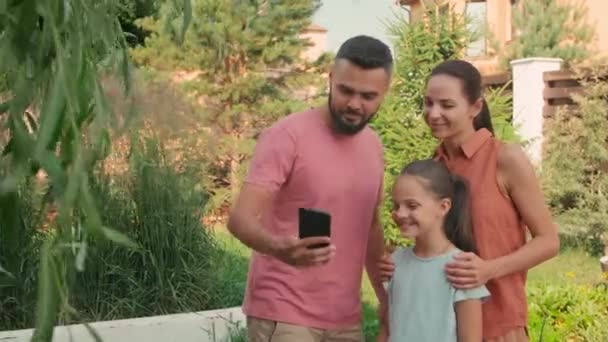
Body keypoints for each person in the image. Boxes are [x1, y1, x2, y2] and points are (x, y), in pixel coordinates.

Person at [378, 60, 560, 341]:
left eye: (447, 105)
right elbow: (435, 244)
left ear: (475, 108)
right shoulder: (432, 169)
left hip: (500, 326)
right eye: (428, 103)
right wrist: (400, 263)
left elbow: (548, 241)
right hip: (442, 329)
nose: (434, 113)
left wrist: (489, 269)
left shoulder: (505, 159)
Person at [227, 35, 392, 342]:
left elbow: (370, 226)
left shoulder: (374, 146)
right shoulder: (287, 136)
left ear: (385, 93)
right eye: (345, 90)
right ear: (330, 78)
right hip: (284, 311)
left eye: (368, 96)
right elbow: (239, 220)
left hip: (346, 318)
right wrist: (280, 248)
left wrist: (385, 298)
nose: (354, 104)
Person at [378, 159, 490, 342]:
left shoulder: (463, 269)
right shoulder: (395, 262)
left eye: (412, 206)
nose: (400, 214)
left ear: (443, 206)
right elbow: (387, 329)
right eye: (396, 205)